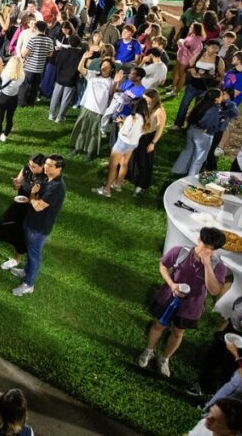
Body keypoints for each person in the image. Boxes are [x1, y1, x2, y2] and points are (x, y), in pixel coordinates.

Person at [138, 227, 227, 378]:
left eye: (212, 249)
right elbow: (163, 266)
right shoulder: (180, 252)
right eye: (205, 246)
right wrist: (172, 284)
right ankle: (149, 351)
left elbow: (214, 290)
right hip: (167, 298)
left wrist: (207, 266)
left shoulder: (218, 267)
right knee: (158, 325)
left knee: (178, 332)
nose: (207, 252)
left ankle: (164, 359)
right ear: (199, 240)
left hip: (191, 307)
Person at [0, 154, 45, 271]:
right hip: (19, 202)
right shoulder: (26, 169)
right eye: (30, 165)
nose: (31, 168)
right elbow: (17, 185)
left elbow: (39, 200)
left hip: (31, 210)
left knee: (21, 234)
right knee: (3, 223)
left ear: (43, 167)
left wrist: (32, 195)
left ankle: (16, 259)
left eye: (34, 167)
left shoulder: (44, 179)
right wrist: (16, 184)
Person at [11, 155, 66, 297]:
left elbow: (38, 206)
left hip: (39, 228)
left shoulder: (57, 188)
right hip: (31, 222)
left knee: (34, 256)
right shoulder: (48, 178)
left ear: (59, 168)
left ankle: (28, 284)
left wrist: (33, 194)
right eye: (46, 164)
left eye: (50, 165)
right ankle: (26, 271)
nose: (46, 167)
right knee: (30, 252)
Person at [173, 89, 238, 177]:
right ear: (216, 98)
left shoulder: (204, 103)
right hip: (203, 134)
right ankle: (191, 177)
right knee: (199, 158)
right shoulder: (214, 108)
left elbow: (234, 113)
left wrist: (227, 101)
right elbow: (205, 122)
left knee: (188, 151)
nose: (223, 96)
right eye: (221, 95)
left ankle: (179, 170)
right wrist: (209, 127)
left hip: (192, 130)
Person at [94, 97, 147, 197]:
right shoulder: (144, 119)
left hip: (122, 143)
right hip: (133, 144)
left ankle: (106, 189)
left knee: (113, 166)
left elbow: (124, 132)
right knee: (124, 163)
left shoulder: (131, 118)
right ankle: (118, 184)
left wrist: (120, 123)